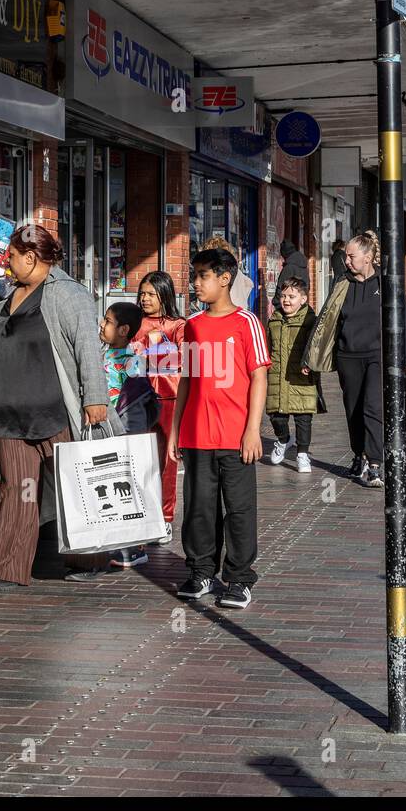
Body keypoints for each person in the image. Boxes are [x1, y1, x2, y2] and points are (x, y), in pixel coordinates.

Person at [0, 225, 124, 593]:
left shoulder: (68, 294)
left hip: (55, 410)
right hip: (10, 412)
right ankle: (4, 569)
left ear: (31, 258)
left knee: (75, 485)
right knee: (18, 490)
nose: (6, 264)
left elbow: (87, 348)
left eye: (12, 257)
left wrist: (95, 397)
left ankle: (90, 557)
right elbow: (10, 340)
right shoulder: (7, 296)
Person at [168, 238, 270, 609]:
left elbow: (259, 377)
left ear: (225, 279)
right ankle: (201, 571)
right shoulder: (192, 325)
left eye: (203, 276)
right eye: (195, 276)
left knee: (239, 509)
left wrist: (252, 430)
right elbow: (186, 380)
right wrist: (176, 430)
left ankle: (239, 578)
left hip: (234, 435)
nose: (196, 284)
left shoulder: (247, 323)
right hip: (196, 435)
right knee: (198, 507)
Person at [304, 230, 406, 487]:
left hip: (377, 356)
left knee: (372, 407)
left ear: (368, 257)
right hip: (348, 357)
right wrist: (310, 356)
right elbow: (326, 321)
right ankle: (359, 455)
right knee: (353, 409)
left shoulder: (386, 284)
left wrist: (404, 357)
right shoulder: (342, 284)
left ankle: (375, 462)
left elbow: (404, 322)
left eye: (351, 256)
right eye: (346, 257)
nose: (347, 261)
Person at [66, 302, 159, 581]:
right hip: (107, 431)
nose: (101, 326)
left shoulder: (131, 361)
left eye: (107, 321)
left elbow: (138, 401)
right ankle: (118, 545)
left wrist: (132, 436)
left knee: (127, 491)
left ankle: (133, 548)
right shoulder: (105, 353)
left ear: (124, 330)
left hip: (123, 433)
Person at [132, 271, 185, 545]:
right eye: (142, 293)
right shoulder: (133, 322)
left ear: (165, 294)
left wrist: (148, 352)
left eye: (151, 294)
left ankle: (165, 518)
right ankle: (139, 514)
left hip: (168, 398)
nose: (145, 299)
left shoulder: (178, 326)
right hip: (135, 400)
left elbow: (187, 362)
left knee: (166, 461)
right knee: (138, 460)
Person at [265, 276, 317, 473]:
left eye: (292, 297)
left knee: (303, 418)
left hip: (301, 378)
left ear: (303, 299)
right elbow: (268, 346)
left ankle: (302, 453)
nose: (286, 300)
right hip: (277, 375)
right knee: (276, 415)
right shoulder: (274, 320)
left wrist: (311, 365)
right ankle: (283, 439)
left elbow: (317, 348)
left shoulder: (310, 321)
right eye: (283, 296)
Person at [274, 239, 309, 311]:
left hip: (288, 306)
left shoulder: (289, 267)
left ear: (285, 252)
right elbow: (307, 285)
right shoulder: (303, 266)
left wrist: (277, 304)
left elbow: (280, 287)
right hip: (300, 303)